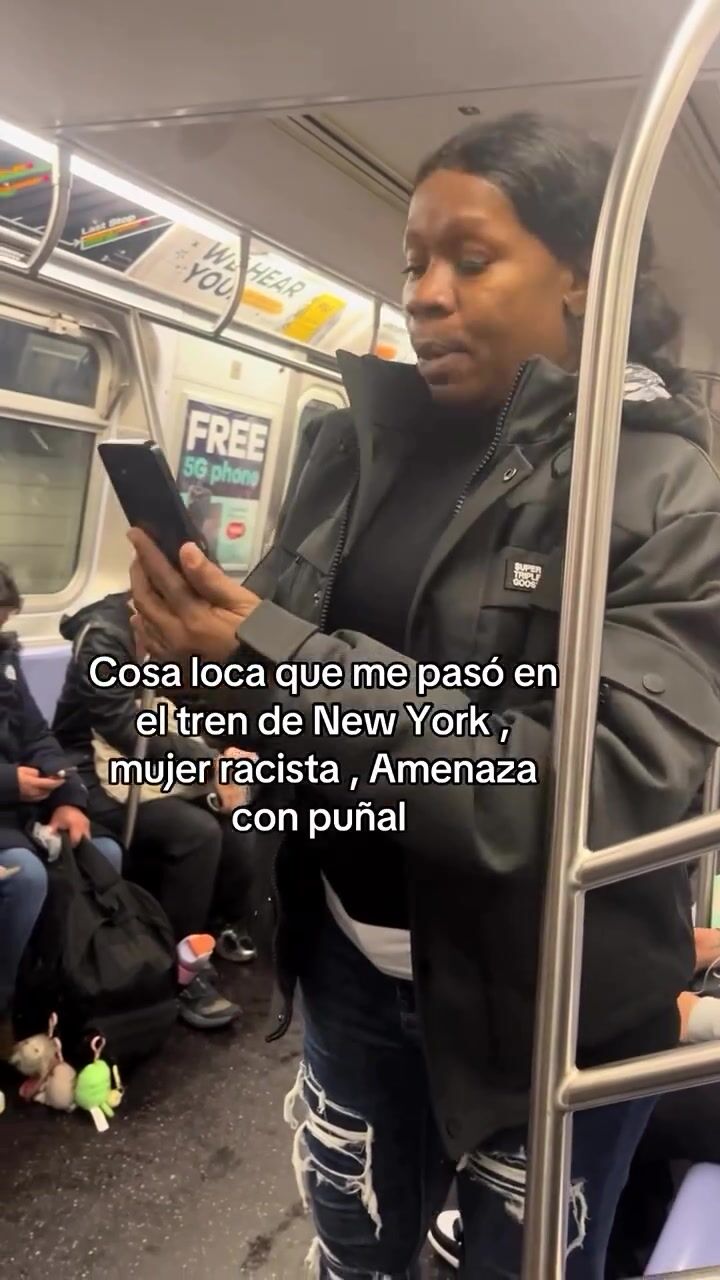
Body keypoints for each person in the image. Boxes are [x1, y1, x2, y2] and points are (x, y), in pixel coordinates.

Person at [127, 111, 720, 1279]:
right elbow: (283, 688)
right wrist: (199, 656)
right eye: (413, 263)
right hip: (352, 965)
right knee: (357, 1256)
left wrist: (281, 657)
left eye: (471, 258)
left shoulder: (666, 489)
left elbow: (588, 791)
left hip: (546, 1006)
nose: (426, 295)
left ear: (583, 275)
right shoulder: (355, 447)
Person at [52, 591, 260, 1031]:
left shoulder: (172, 626)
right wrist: (209, 763)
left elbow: (191, 697)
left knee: (239, 816)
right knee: (196, 834)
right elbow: (123, 727)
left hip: (154, 752)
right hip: (89, 766)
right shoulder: (103, 637)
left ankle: (212, 928)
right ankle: (177, 969)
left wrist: (228, 746)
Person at [0, 565, 122, 1058]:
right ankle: (6, 1008)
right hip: (8, 801)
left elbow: (37, 735)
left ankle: (63, 993)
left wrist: (68, 795)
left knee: (102, 853)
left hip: (18, 805)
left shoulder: (5, 662)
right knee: (24, 875)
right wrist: (12, 782)